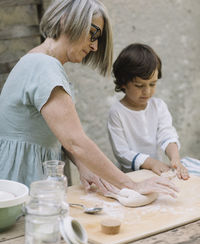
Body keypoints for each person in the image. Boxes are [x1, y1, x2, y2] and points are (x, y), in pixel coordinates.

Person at [0, 0, 177, 198]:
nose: (94, 46)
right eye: (92, 34)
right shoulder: (44, 67)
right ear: (67, 21)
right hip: (16, 183)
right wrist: (132, 185)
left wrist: (85, 166)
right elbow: (75, 141)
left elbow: (60, 132)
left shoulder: (39, 62)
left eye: (98, 38)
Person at [108, 43, 189, 180]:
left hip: (157, 174)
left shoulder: (159, 106)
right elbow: (122, 153)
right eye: (139, 85)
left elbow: (167, 134)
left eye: (152, 84)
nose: (147, 91)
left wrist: (175, 159)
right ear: (123, 83)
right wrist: (150, 163)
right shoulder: (117, 112)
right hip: (130, 178)